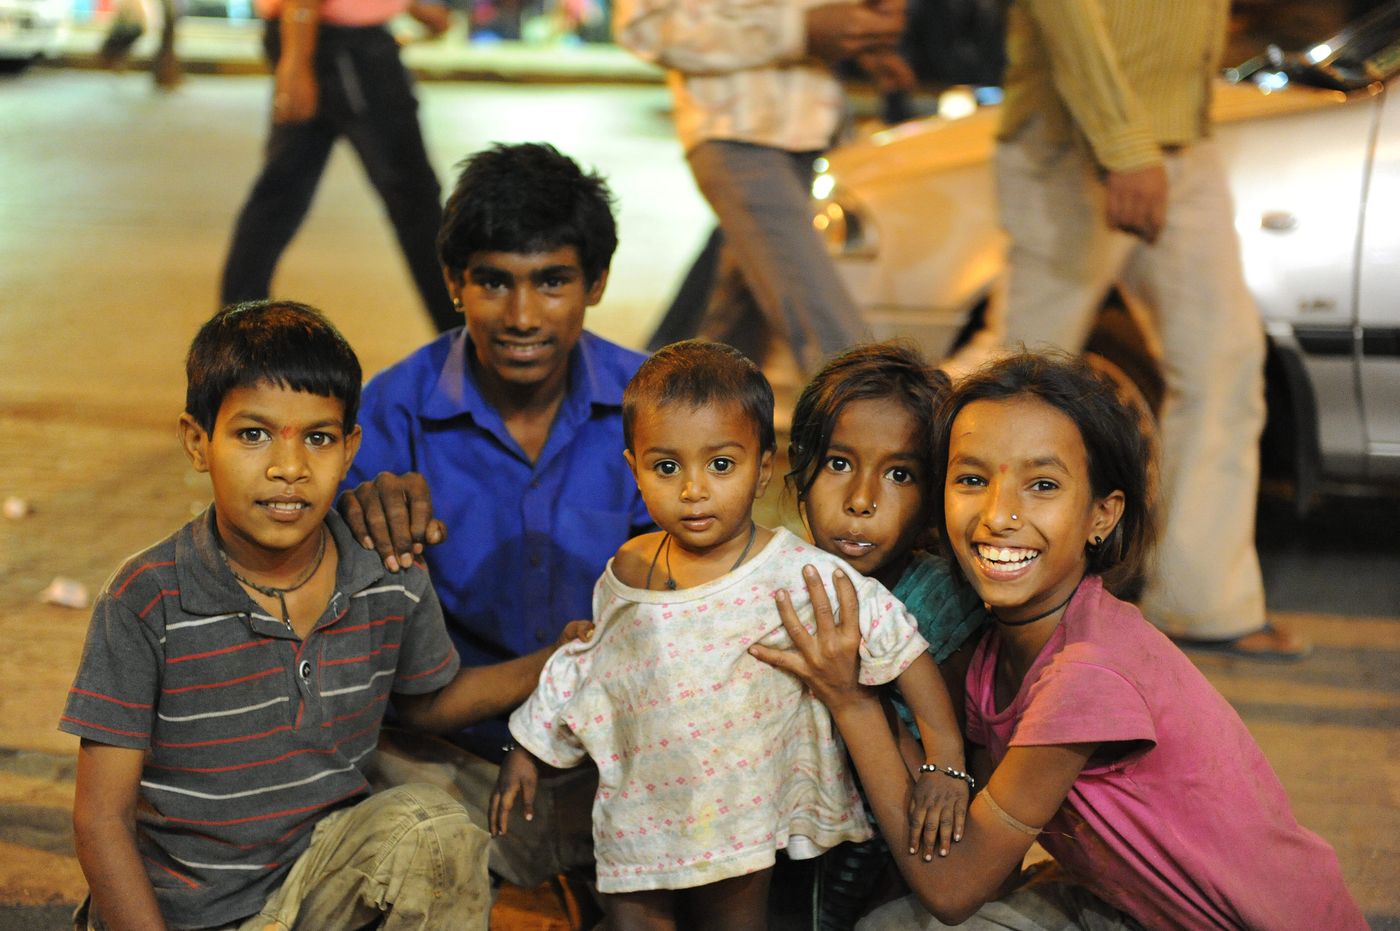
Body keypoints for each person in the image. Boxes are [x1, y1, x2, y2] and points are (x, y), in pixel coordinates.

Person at [754, 353, 1366, 930]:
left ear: (1103, 514)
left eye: (1042, 486)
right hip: (1129, 904)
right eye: (972, 479)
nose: (998, 515)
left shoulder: (1088, 673)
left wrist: (853, 702)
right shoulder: (997, 647)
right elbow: (973, 855)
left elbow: (954, 888)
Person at [60, 301, 589, 931]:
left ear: (350, 449)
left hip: (318, 894)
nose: (289, 468)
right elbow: (101, 819)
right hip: (182, 915)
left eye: (318, 437)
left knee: (433, 831)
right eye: (253, 434)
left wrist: (556, 658)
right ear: (198, 442)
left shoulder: (387, 573)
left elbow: (426, 702)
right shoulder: (149, 599)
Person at [491, 340, 968, 929]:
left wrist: (945, 764)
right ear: (633, 469)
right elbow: (585, 661)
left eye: (720, 465)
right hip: (643, 808)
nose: (693, 490)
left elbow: (906, 653)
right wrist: (527, 746)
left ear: (764, 466)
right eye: (667, 467)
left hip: (750, 819)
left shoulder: (803, 575)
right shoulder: (630, 569)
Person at [338, 142, 652, 886]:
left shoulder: (655, 406)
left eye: (551, 282)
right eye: (493, 282)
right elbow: (361, 648)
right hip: (453, 756)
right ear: (454, 282)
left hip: (621, 752)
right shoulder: (392, 413)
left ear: (596, 283)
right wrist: (350, 519)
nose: (520, 316)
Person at [981, 0, 1306, 659]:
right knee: (1021, 377)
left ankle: (1201, 600)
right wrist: (1123, 144)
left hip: (1184, 136)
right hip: (1075, 142)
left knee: (1224, 360)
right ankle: (982, 596)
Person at [785, 341, 990, 927]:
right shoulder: (780, 572)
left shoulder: (945, 605)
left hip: (895, 859)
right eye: (838, 463)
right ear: (799, 465)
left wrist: (853, 695)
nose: (860, 501)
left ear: (934, 496)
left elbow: (943, 794)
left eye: (899, 474)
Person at [612, 0, 911, 378]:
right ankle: (881, 429)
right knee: (837, 346)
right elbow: (645, 27)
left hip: (810, 138)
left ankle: (646, 418)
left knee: (723, 344)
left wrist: (864, 40)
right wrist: (796, 31)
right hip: (734, 135)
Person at [219, 0, 458, 333]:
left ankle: (236, 330)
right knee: (414, 200)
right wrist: (297, 60)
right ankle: (463, 338)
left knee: (282, 192)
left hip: (325, 37)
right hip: (341, 46)